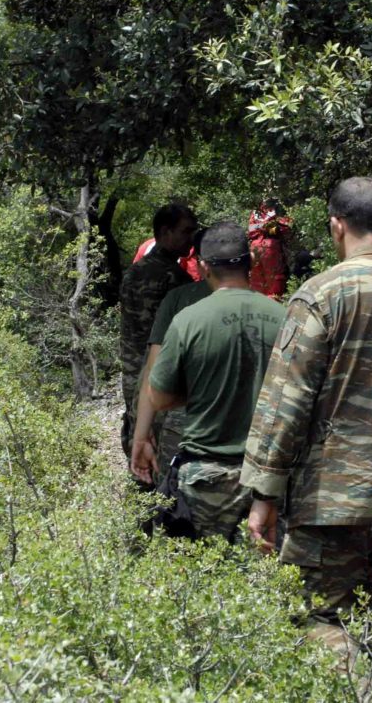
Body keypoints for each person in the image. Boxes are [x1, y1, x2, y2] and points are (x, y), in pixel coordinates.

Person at [241, 177, 372, 617]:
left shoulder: (323, 294)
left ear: (336, 227)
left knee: (320, 625)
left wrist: (264, 494)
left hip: (330, 502)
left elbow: (286, 402)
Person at [148, 222, 286, 540]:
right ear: (250, 260)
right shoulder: (283, 317)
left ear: (203, 266)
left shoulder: (188, 320)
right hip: (265, 476)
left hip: (203, 475)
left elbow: (158, 397)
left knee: (196, 575)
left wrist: (200, 390)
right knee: (259, 579)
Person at [130, 232, 213, 484]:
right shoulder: (272, 311)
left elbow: (154, 374)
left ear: (201, 262)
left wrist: (141, 433)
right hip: (241, 439)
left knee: (173, 502)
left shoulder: (178, 296)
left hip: (180, 423)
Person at [119, 204, 197, 462]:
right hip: (157, 367)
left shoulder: (133, 272)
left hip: (131, 366)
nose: (191, 238)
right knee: (158, 430)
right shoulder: (178, 281)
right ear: (166, 232)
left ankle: (137, 478)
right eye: (185, 231)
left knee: (135, 421)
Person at [248, 198, 293, 299]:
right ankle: (271, 304)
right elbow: (287, 227)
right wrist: (268, 226)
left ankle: (258, 302)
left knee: (257, 276)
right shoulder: (276, 210)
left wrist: (270, 227)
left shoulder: (256, 213)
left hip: (257, 246)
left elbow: (251, 229)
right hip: (270, 247)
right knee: (273, 276)